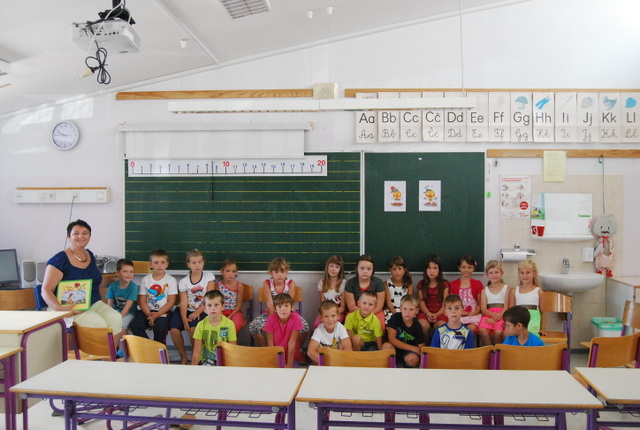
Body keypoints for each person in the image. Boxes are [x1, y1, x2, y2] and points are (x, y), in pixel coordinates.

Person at [41, 219, 122, 332]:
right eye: (76, 233)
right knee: (99, 324)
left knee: (116, 318)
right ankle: (98, 344)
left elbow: (94, 280)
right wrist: (59, 308)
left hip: (93, 302)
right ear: (69, 237)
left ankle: (111, 344)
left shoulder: (89, 255)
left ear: (89, 236)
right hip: (69, 306)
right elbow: (46, 290)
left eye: (85, 233)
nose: (81, 236)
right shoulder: (60, 260)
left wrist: (116, 280)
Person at [248, 257, 309, 346]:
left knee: (305, 327)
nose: (279, 275)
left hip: (288, 314)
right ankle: (265, 348)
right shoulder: (267, 283)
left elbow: (290, 303)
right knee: (253, 326)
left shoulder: (290, 283)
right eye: (276, 272)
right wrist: (273, 320)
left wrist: (285, 320)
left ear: (286, 272)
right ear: (271, 273)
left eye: (282, 272)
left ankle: (297, 348)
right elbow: (269, 304)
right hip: (271, 313)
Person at [169, 249, 215, 364]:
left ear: (203, 263)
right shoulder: (184, 281)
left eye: (199, 262)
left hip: (203, 310)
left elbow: (209, 298)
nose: (197, 265)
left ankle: (197, 357)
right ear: (188, 264)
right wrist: (184, 318)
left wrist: (197, 312)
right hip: (185, 310)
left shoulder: (209, 277)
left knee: (194, 330)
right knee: (174, 329)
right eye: (194, 263)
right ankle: (183, 356)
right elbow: (183, 302)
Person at [131, 248, 178, 344]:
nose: (159, 265)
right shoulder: (145, 279)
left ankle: (158, 350)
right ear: (151, 264)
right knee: (136, 326)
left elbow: (171, 302)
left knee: (159, 329)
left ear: (167, 264)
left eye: (162, 262)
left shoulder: (171, 280)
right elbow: (142, 301)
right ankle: (149, 347)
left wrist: (157, 315)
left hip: (163, 312)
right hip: (146, 311)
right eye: (156, 262)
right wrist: (149, 315)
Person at [191, 290, 237, 366]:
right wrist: (193, 369)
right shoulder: (200, 325)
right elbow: (196, 351)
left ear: (222, 306)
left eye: (216, 305)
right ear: (204, 308)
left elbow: (233, 349)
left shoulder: (229, 324)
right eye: (209, 305)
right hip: (205, 361)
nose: (213, 308)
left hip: (224, 360)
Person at [382, 294, 426, 368]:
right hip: (394, 347)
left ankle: (406, 370)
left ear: (417, 311)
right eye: (405, 309)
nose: (408, 312)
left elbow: (421, 347)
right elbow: (392, 339)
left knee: (413, 359)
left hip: (408, 352)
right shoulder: (395, 318)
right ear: (401, 309)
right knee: (386, 347)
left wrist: (418, 352)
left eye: (411, 309)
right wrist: (413, 348)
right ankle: (391, 368)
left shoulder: (417, 325)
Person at [344, 254, 386, 329]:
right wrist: (363, 313)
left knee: (380, 325)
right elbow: (351, 307)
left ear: (373, 270)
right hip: (356, 311)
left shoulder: (379, 283)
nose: (365, 271)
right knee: (349, 324)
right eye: (362, 268)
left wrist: (368, 313)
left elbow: (379, 306)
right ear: (357, 268)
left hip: (374, 311)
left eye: (369, 269)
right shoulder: (350, 283)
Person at [264, 293, 305, 368]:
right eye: (279, 306)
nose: (283, 309)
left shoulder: (296, 319)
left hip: (292, 356)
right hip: (275, 354)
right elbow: (270, 343)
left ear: (292, 307)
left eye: (286, 306)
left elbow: (292, 343)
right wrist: (275, 361)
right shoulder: (271, 319)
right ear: (274, 309)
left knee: (293, 373)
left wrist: (289, 364)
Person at [105, 258, 138, 347]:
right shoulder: (113, 286)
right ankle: (112, 349)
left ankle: (119, 351)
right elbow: (109, 306)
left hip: (129, 313)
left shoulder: (133, 287)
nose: (129, 274)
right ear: (118, 273)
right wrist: (110, 317)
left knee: (121, 326)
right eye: (125, 271)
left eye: (131, 272)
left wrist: (117, 318)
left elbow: (127, 308)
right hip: (116, 312)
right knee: (108, 326)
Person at [508, 260, 546, 336]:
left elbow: (543, 313)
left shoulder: (539, 292)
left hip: (533, 321)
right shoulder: (514, 291)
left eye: (528, 272)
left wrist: (543, 329)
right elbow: (511, 312)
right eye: (522, 273)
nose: (525, 275)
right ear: (518, 274)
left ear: (534, 274)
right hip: (518, 320)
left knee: (528, 331)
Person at [478, 260, 511, 346]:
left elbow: (506, 307)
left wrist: (496, 318)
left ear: (502, 273)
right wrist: (493, 315)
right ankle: (490, 350)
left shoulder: (507, 288)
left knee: (498, 332)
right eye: (491, 273)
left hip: (502, 314)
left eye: (496, 272)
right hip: (489, 314)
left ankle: (497, 351)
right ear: (487, 274)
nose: (494, 275)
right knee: (482, 330)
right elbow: (483, 309)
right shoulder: (484, 290)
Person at [448, 254, 483, 333]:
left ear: (473, 268)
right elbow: (451, 303)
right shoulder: (453, 284)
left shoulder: (477, 284)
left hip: (473, 315)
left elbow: (479, 304)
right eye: (463, 267)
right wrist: (458, 313)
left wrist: (473, 313)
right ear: (459, 268)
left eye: (469, 267)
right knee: (455, 329)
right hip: (457, 314)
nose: (466, 270)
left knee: (470, 330)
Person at [417, 254, 449, 337]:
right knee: (423, 326)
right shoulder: (421, 284)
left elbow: (445, 303)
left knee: (441, 326)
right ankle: (425, 344)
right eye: (429, 268)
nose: (432, 271)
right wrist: (428, 314)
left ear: (439, 270)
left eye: (435, 268)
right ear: (425, 270)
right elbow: (421, 303)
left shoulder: (444, 284)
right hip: (425, 312)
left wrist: (436, 315)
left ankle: (437, 344)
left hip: (440, 312)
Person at [313, 255, 347, 329]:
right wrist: (327, 314)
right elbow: (322, 304)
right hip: (326, 311)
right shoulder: (322, 283)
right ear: (327, 267)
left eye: (337, 267)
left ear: (340, 270)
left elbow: (343, 307)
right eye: (331, 266)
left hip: (338, 312)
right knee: (316, 325)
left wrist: (333, 313)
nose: (333, 269)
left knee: (331, 325)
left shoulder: (343, 283)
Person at [216, 259, 245, 334]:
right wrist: (221, 314)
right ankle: (223, 341)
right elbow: (216, 302)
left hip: (235, 312)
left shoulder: (239, 285)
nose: (230, 274)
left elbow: (239, 305)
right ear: (222, 271)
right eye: (228, 271)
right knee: (219, 325)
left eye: (233, 271)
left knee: (235, 325)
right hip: (221, 311)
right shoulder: (218, 285)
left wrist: (230, 316)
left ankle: (232, 341)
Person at [383, 256, 414, 324]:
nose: (397, 272)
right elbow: (389, 304)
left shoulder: (408, 285)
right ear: (390, 270)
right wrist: (397, 315)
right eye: (394, 269)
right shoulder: (386, 284)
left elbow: (409, 302)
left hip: (406, 311)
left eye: (400, 269)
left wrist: (403, 315)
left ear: (404, 269)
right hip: (392, 311)